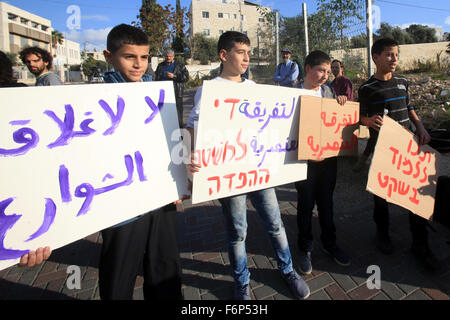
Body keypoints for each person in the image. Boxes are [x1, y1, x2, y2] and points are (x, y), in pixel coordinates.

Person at [186, 31, 310, 301]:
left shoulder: (255, 90)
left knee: (275, 224)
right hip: (229, 177)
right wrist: (188, 155)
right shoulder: (208, 90)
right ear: (223, 55)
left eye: (248, 52)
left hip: (259, 173)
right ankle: (242, 281)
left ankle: (287, 270)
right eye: (241, 52)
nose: (247, 57)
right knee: (237, 232)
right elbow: (192, 127)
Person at [358, 38, 440, 271]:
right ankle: (382, 235)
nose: (394, 59)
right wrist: (367, 120)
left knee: (415, 199)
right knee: (381, 198)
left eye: (396, 54)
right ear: (375, 57)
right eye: (389, 55)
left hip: (408, 150)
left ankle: (420, 245)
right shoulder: (366, 88)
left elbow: (410, 107)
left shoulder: (403, 82)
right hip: (383, 151)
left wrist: (421, 128)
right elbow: (359, 116)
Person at [295, 50, 351, 275]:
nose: (325, 75)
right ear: (308, 68)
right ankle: (305, 246)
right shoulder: (291, 93)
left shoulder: (328, 91)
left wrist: (340, 102)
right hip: (304, 161)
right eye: (321, 70)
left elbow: (337, 119)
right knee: (306, 205)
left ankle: (330, 243)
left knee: (327, 204)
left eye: (328, 72)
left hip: (327, 161)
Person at [155, 48, 189, 128]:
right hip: (163, 94)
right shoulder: (160, 66)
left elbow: (186, 77)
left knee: (177, 113)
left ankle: (179, 131)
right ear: (164, 56)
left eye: (170, 56)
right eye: (167, 56)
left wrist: (174, 76)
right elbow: (156, 78)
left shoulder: (180, 65)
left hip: (176, 93)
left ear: (173, 56)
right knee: (164, 113)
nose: (168, 58)